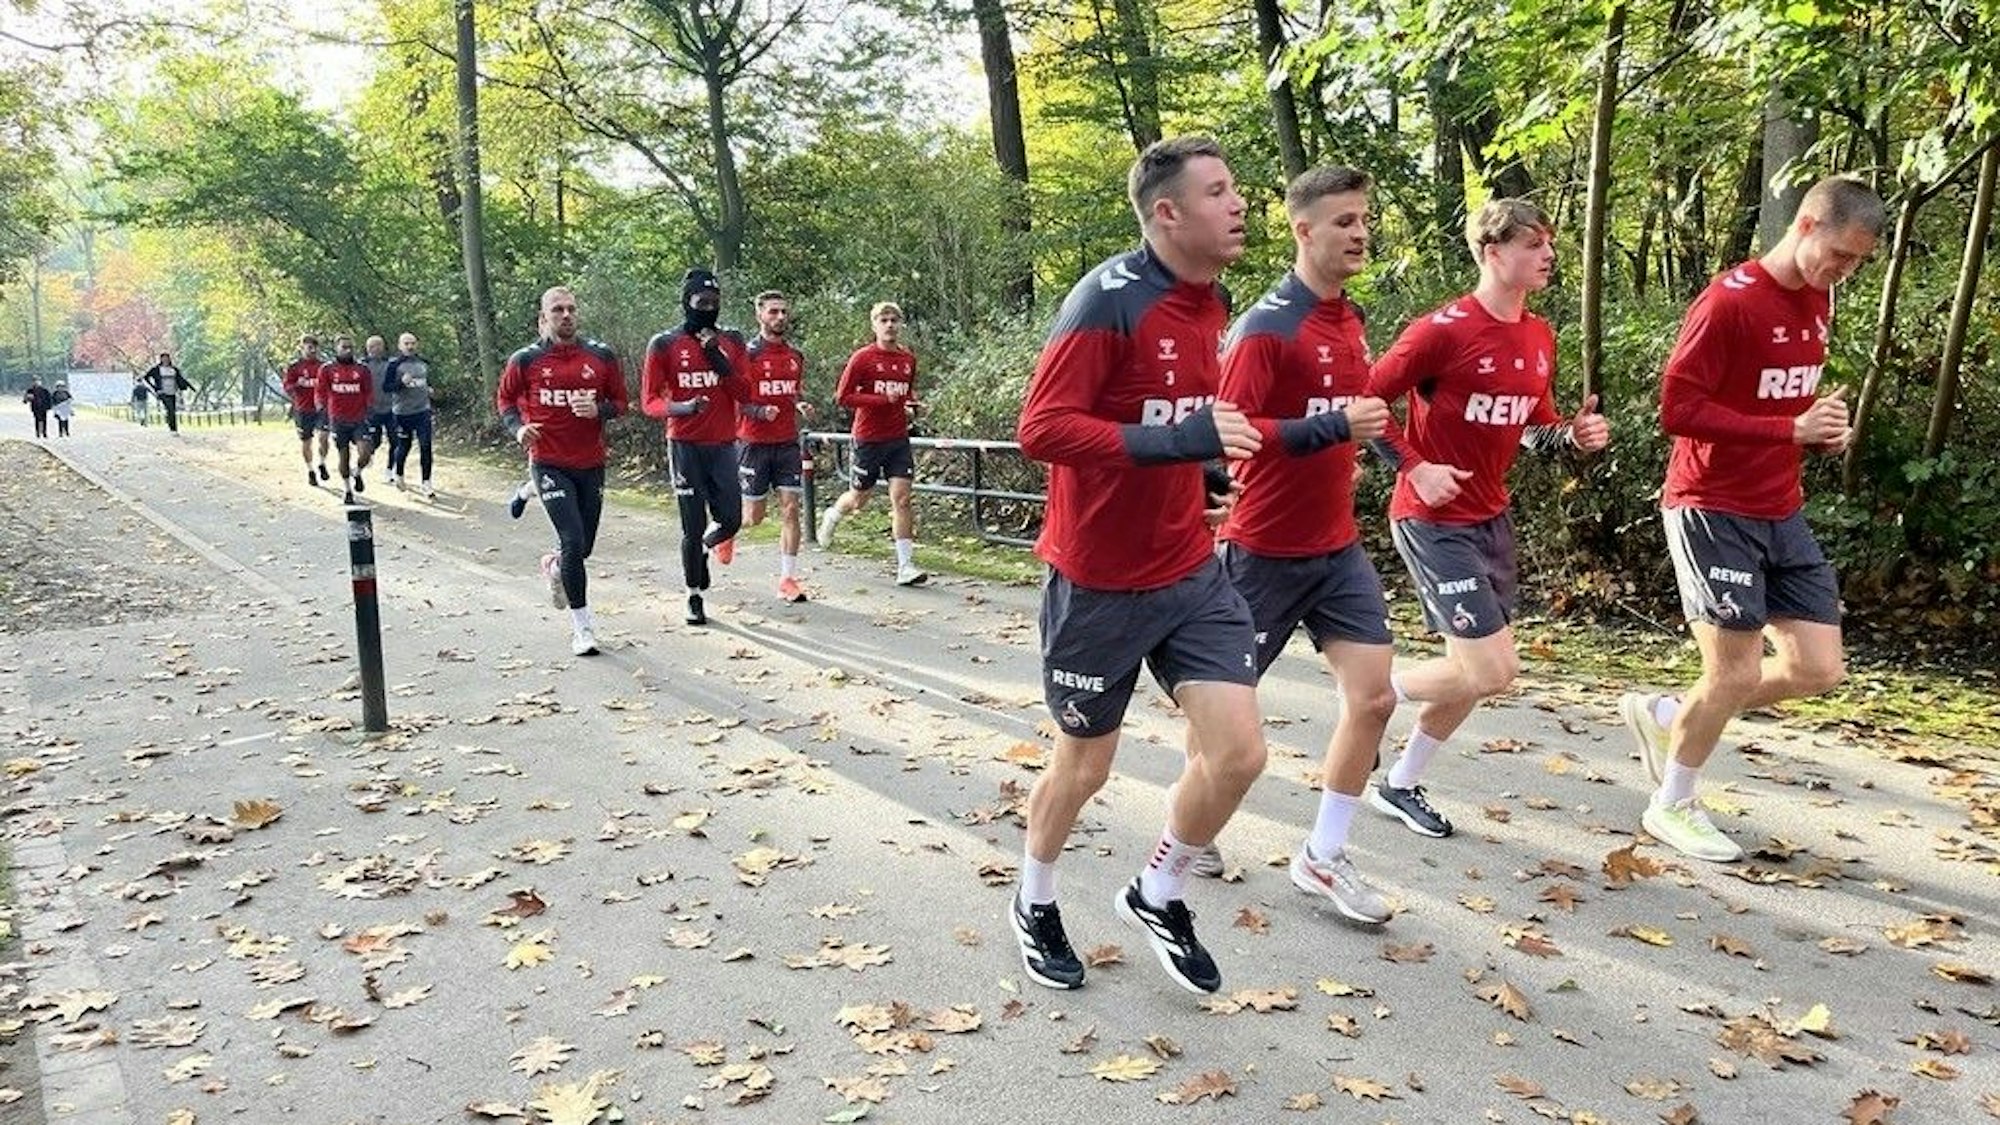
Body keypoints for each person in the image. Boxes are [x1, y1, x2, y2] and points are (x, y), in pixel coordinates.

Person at [1011, 135, 1266, 996]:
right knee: (1085, 765)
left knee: (1238, 755)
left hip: (1191, 569)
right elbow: (1041, 430)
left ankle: (1158, 890)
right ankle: (1035, 899)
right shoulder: (1105, 302)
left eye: (1236, 190)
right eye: (1220, 192)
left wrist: (1202, 468)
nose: (1239, 205)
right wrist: (1174, 441)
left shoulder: (1209, 301)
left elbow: (1180, 416)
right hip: (1098, 579)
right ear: (1167, 212)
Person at [1620, 177, 1884, 863]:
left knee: (1819, 667)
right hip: (1712, 504)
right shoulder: (1729, 302)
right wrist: (1787, 427)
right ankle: (1671, 803)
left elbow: (1786, 401)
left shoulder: (1818, 298)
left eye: (1857, 262)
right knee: (1733, 672)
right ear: (1804, 224)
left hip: (1780, 505)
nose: (1843, 272)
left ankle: (1674, 716)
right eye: (1839, 255)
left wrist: (1823, 432)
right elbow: (1677, 410)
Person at [1361, 199, 1610, 838]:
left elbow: (1533, 431)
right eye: (1533, 244)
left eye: (1549, 243)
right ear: (1493, 252)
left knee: (1474, 672)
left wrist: (1573, 437)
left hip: (1490, 517)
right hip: (1430, 517)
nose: (1549, 255)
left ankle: (1401, 782)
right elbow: (1363, 399)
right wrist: (1413, 466)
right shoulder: (1441, 330)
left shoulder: (1539, 335)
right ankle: (1370, 695)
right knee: (1491, 669)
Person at [1207, 166, 1398, 922]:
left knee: (1376, 697)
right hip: (1261, 551)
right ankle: (1196, 814)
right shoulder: (1264, 329)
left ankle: (1323, 854)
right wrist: (1330, 427)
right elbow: (1230, 434)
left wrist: (1416, 464)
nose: (1360, 233)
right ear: (1303, 230)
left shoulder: (1349, 320)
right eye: (1345, 221)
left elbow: (1366, 419)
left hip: (1337, 550)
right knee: (1226, 718)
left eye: (1364, 220)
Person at [497, 286, 629, 657]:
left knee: (581, 548)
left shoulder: (600, 356)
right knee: (572, 540)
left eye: (571, 308)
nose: (566, 315)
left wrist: (599, 410)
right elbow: (505, 400)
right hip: (548, 460)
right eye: (557, 310)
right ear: (543, 319)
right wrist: (519, 429)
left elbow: (621, 403)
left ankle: (554, 564)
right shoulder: (525, 360)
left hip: (591, 463)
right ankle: (583, 629)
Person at [641, 268, 748, 627]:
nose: (708, 309)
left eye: (715, 303)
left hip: (722, 444)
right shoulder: (664, 344)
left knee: (731, 518)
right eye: (702, 302)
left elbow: (745, 393)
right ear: (687, 302)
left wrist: (718, 358)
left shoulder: (732, 341)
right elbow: (649, 402)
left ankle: (705, 547)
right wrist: (683, 408)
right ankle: (694, 596)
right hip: (685, 444)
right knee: (692, 523)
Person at [816, 302, 928, 587]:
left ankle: (905, 566)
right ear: (874, 325)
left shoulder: (907, 359)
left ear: (900, 324)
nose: (889, 325)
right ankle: (833, 513)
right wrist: (881, 401)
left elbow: (906, 392)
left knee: (902, 499)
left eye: (894, 320)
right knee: (859, 499)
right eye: (883, 320)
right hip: (868, 438)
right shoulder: (863, 358)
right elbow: (843, 396)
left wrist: (912, 405)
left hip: (897, 439)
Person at [738, 290, 814, 603]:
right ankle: (723, 529)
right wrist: (759, 411)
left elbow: (792, 392)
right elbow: (733, 399)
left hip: (786, 443)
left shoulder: (795, 356)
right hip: (754, 443)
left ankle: (787, 579)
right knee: (752, 518)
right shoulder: (747, 355)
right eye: (773, 312)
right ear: (760, 316)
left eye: (784, 311)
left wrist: (801, 405)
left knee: (791, 509)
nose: (780, 317)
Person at [317, 335, 379, 504]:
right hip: (338, 419)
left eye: (350, 347)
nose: (347, 350)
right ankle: (347, 490)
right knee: (343, 457)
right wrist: (320, 405)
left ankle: (357, 472)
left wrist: (370, 408)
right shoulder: (327, 369)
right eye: (344, 347)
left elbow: (368, 391)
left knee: (365, 453)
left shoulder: (362, 369)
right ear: (336, 348)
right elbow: (321, 391)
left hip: (359, 418)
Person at [384, 332, 438, 498]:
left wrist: (430, 390)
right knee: (404, 446)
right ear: (400, 346)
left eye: (413, 343)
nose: (410, 346)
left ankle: (426, 482)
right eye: (406, 343)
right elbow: (386, 387)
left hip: (422, 411)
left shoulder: (423, 363)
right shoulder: (394, 365)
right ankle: (398, 473)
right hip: (402, 413)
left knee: (426, 446)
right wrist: (401, 383)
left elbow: (427, 382)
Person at [282, 335, 331, 487]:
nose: (312, 350)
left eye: (315, 347)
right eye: (309, 347)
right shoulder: (294, 367)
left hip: (321, 408)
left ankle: (322, 463)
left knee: (324, 437)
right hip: (303, 408)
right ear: (301, 348)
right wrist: (298, 384)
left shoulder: (324, 367)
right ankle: (310, 470)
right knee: (306, 441)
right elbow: (287, 388)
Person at [361, 336, 396, 486]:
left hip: (391, 408)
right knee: (374, 441)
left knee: (395, 440)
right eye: (372, 346)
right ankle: (370, 455)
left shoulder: (391, 364)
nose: (376, 349)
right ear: (367, 349)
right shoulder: (362, 366)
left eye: (379, 346)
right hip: (371, 410)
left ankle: (390, 470)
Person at [144, 352, 190, 433]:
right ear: (161, 359)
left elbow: (180, 379)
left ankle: (169, 421)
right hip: (162, 392)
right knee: (170, 409)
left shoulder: (174, 369)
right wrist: (154, 388)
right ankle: (173, 429)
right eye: (163, 358)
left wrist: (183, 386)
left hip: (172, 392)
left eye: (167, 358)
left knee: (172, 410)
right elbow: (146, 377)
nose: (165, 360)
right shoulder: (156, 369)